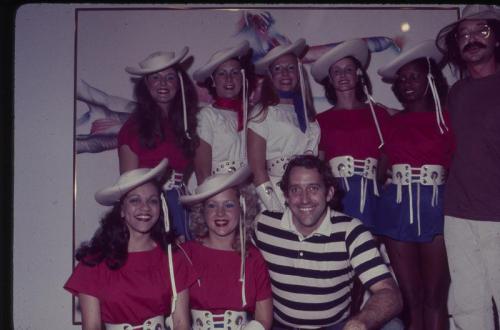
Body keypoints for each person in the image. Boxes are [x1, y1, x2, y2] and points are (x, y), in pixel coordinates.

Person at [253, 155, 402, 329]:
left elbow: (390, 293)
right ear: (286, 195)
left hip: (334, 327)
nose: (304, 199)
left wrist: (362, 321)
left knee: (394, 326)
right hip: (281, 327)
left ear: (329, 193)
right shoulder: (264, 226)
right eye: (295, 190)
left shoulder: (350, 231)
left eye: (313, 188)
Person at [375, 40, 454, 330]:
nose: (407, 83)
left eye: (414, 76)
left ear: (430, 78)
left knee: (435, 297)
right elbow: (380, 169)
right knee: (410, 298)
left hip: (436, 210)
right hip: (396, 211)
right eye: (402, 78)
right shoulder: (391, 122)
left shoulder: (448, 118)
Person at [64, 159, 196, 329]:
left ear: (161, 208)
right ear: (121, 210)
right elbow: (92, 327)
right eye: (135, 200)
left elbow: (181, 323)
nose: (145, 208)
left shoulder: (174, 257)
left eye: (152, 201)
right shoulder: (93, 262)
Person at [435, 5, 500, 329]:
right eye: (464, 34)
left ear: (497, 38)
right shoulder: (457, 93)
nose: (471, 39)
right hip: (458, 215)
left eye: (481, 31)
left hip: (498, 217)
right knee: (467, 307)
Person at [119, 48, 199, 241]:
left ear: (179, 83)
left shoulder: (184, 124)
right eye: (155, 77)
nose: (163, 84)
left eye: (170, 77)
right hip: (150, 209)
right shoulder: (133, 127)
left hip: (180, 205)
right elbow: (128, 186)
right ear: (146, 84)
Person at [179, 166, 273, 329]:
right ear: (202, 211)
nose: (220, 213)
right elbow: (179, 320)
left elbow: (264, 320)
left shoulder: (253, 257)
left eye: (229, 205)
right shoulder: (186, 254)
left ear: (242, 208)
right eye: (212, 206)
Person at [310, 38, 389, 232]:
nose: (343, 75)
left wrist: (374, 183)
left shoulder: (378, 114)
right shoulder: (321, 120)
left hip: (372, 196)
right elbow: (319, 164)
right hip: (337, 197)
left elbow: (387, 154)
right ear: (330, 78)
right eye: (336, 71)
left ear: (358, 74)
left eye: (348, 69)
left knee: (368, 253)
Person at [247, 39, 321, 213]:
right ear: (270, 76)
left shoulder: (307, 114)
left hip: (305, 194)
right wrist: (275, 208)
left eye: (290, 68)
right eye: (278, 69)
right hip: (275, 193)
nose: (285, 74)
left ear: (299, 72)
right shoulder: (262, 112)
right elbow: (257, 169)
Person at [192, 41, 253, 183]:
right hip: (220, 190)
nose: (229, 79)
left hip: (250, 193)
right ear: (213, 80)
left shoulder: (254, 114)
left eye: (235, 73)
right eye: (222, 73)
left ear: (243, 78)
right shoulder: (206, 116)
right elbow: (202, 172)